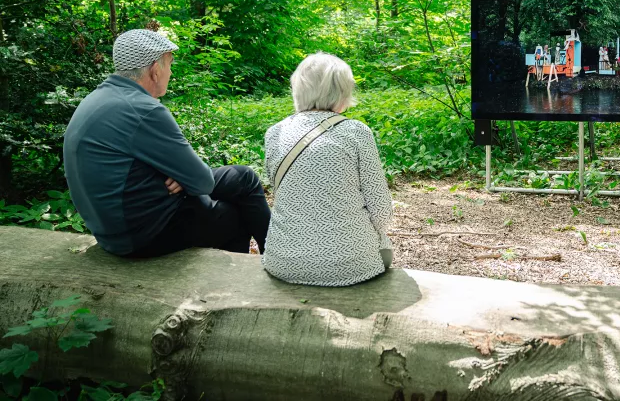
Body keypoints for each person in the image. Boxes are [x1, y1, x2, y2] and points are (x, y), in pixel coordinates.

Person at [63, 29, 271, 258]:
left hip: (112, 232)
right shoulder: (143, 110)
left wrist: (184, 178)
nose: (171, 72)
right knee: (233, 212)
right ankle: (273, 260)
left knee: (242, 177)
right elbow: (202, 182)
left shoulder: (97, 99)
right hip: (140, 237)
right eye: (169, 64)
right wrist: (187, 178)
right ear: (155, 70)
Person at [262, 52, 393, 287]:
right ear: (342, 91)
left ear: (298, 90)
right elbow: (382, 214)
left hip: (281, 262)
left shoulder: (275, 133)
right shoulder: (357, 132)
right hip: (353, 264)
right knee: (384, 247)